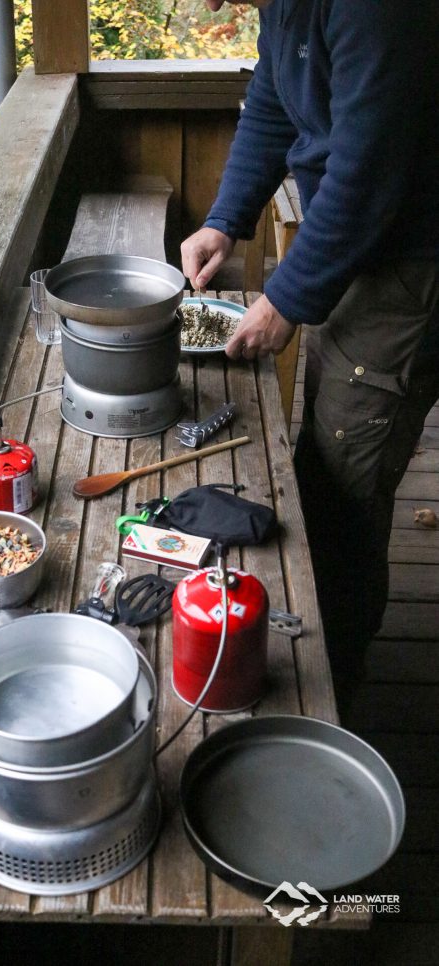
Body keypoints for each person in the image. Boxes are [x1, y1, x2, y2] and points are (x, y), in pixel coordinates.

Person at [181, 0, 439, 714]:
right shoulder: (287, 5)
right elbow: (273, 97)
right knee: (321, 462)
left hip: (408, 263)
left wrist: (288, 299)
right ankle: (322, 651)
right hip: (357, 254)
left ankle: (337, 696)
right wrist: (225, 220)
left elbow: (369, 167)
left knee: (346, 489)